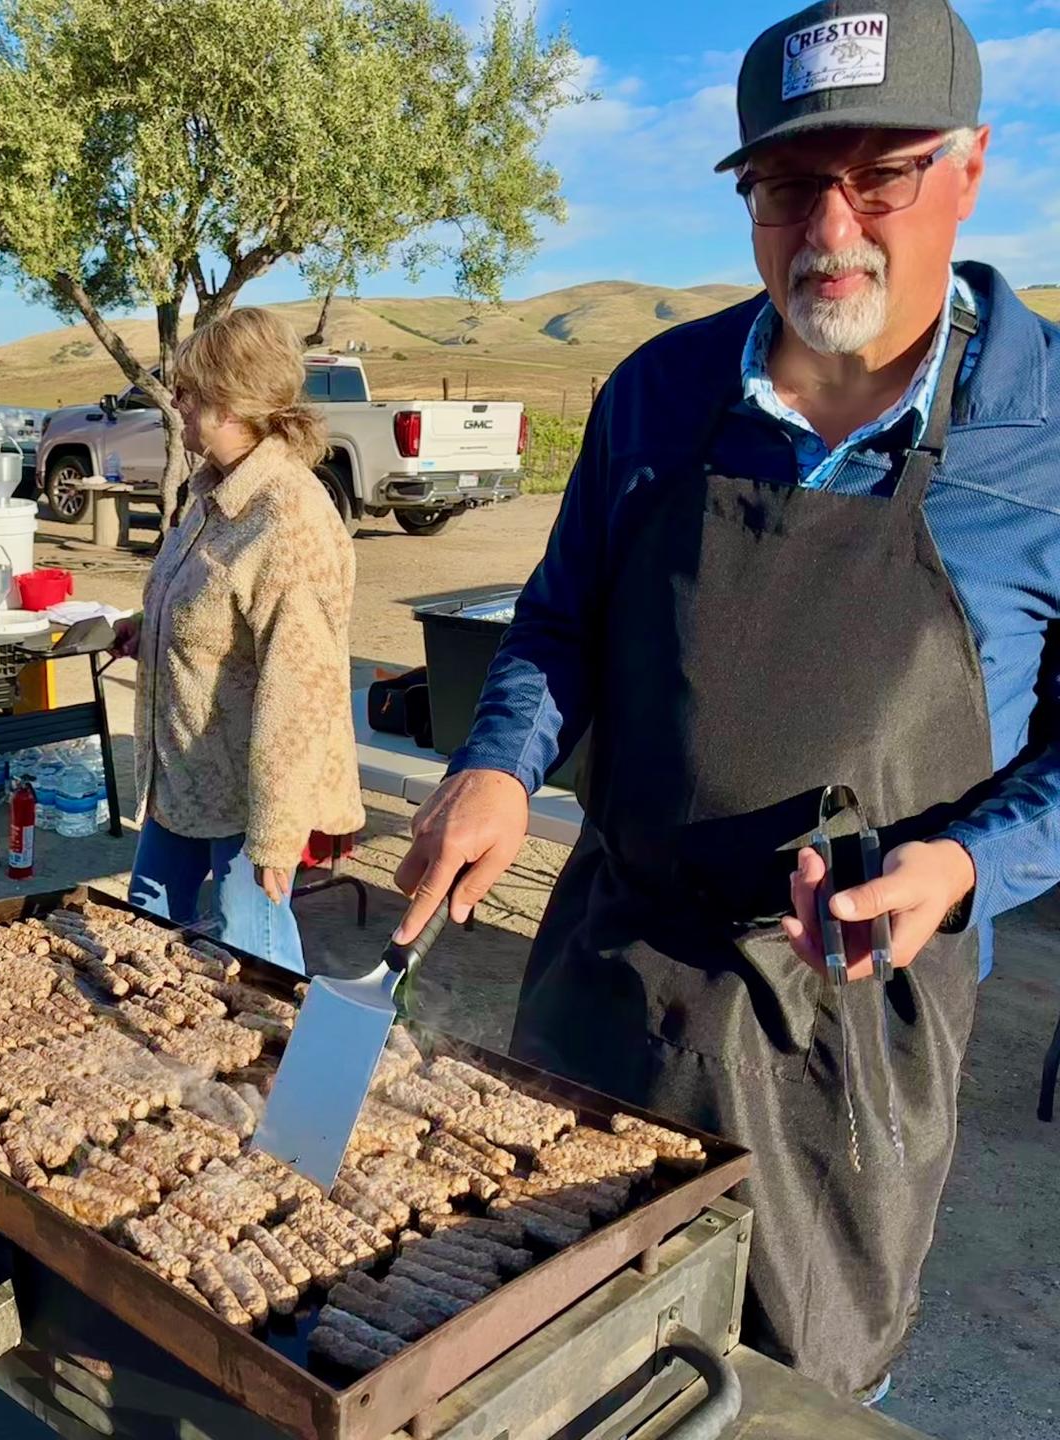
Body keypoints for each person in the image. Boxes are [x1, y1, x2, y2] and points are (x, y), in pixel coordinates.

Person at [394, 0, 1060, 1402]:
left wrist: (965, 866)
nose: (830, 227)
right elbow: (560, 623)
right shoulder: (655, 397)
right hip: (612, 986)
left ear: (971, 165)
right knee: (546, 1361)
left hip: (847, 1047)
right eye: (783, 185)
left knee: (780, 1403)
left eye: (878, 174)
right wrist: (502, 763)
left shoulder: (1046, 442)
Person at [117, 308, 364, 972]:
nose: (177, 400)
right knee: (143, 939)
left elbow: (300, 691)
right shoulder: (212, 495)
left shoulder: (287, 519)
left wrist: (277, 839)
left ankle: (279, 1071)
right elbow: (212, 612)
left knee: (252, 967)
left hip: (249, 800)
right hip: (184, 779)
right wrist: (148, 631)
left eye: (190, 391)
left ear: (229, 403)